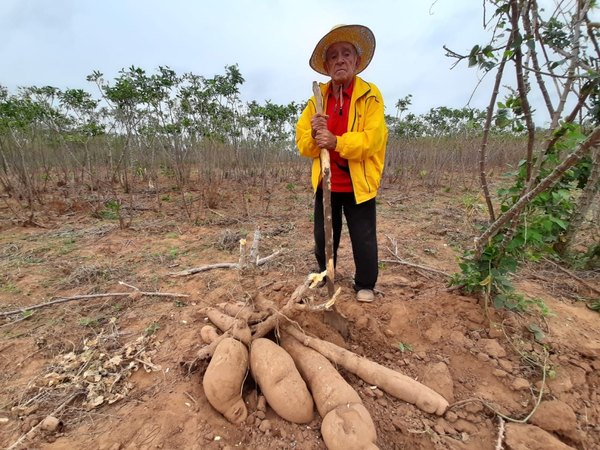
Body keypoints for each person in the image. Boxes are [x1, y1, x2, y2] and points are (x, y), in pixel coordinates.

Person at [296, 24, 388, 303]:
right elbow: (303, 143)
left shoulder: (370, 95)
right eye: (334, 56)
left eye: (346, 54)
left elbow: (373, 139)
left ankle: (365, 284)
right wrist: (314, 134)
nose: (340, 60)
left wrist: (337, 142)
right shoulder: (316, 100)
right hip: (326, 182)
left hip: (358, 182)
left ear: (357, 62)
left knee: (364, 237)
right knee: (324, 235)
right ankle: (325, 274)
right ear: (326, 65)